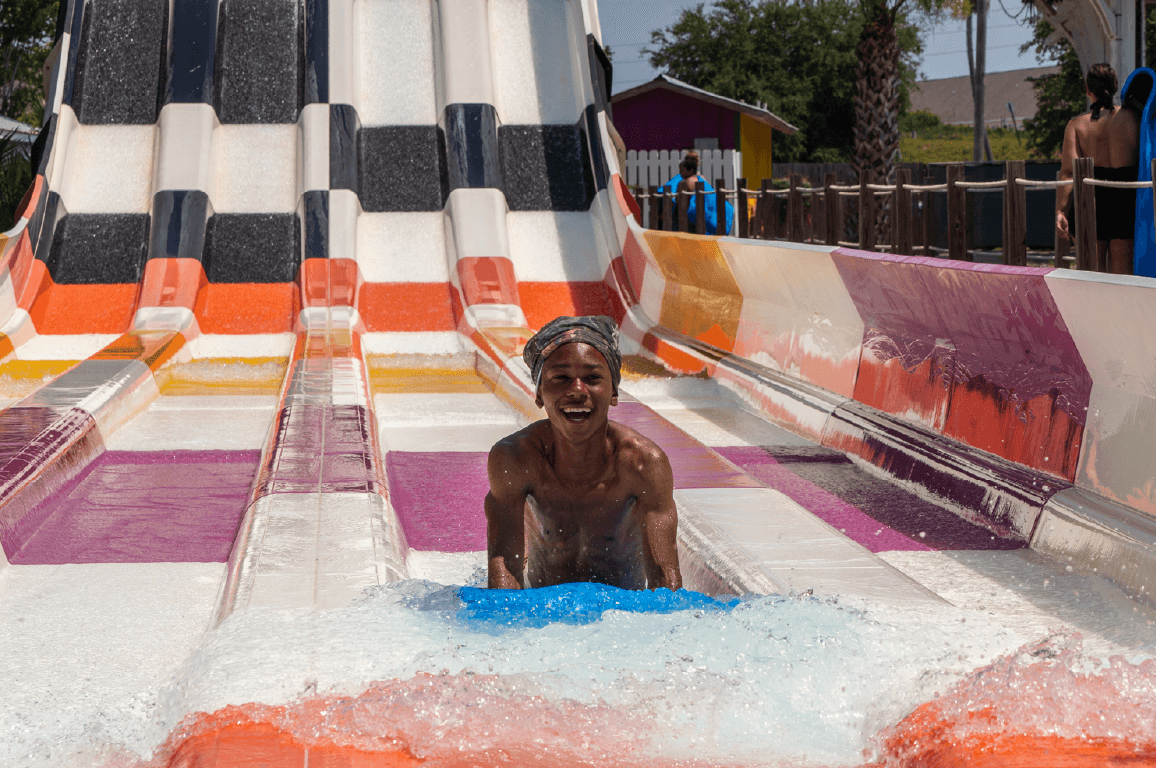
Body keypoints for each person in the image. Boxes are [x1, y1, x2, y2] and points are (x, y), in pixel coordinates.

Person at [485, 316, 682, 591]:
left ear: (613, 391)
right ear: (540, 393)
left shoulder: (642, 464)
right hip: (543, 606)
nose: (577, 390)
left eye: (592, 378)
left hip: (622, 613)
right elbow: (504, 573)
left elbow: (666, 583)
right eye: (561, 378)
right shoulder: (516, 459)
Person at [1055, 63, 1136, 274]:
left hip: (1090, 199)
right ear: (1115, 87)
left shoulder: (1076, 125)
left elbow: (1068, 172)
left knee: (1092, 273)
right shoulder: (1134, 120)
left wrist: (1061, 210)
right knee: (1124, 272)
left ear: (1087, 89)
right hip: (1127, 198)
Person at [661, 150, 735, 235]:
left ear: (691, 170)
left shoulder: (686, 182)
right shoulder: (701, 178)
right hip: (708, 213)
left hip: (694, 218)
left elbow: (681, 202)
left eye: (682, 170)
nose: (680, 173)